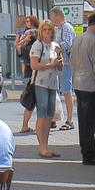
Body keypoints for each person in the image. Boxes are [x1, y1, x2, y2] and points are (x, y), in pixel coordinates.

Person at [72, 13, 95, 165]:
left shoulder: (78, 38)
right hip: (90, 85)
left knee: (83, 120)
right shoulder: (94, 41)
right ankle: (89, 154)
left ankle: (86, 151)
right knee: (91, 121)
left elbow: (72, 60)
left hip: (78, 82)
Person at [30, 20, 65, 158]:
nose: (47, 32)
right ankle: (42, 147)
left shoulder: (55, 45)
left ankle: (46, 146)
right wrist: (51, 64)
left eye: (49, 29)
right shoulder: (38, 45)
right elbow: (34, 65)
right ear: (40, 31)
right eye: (44, 30)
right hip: (41, 83)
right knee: (42, 114)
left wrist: (59, 59)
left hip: (53, 83)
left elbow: (59, 66)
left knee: (50, 115)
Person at [51, 8, 76, 131]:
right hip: (59, 63)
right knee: (59, 91)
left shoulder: (66, 27)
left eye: (52, 17)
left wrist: (56, 47)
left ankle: (70, 120)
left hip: (65, 63)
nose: (52, 20)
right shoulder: (59, 29)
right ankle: (54, 119)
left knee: (67, 91)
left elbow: (68, 43)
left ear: (56, 16)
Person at [16, 16, 40, 134]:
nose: (24, 36)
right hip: (34, 76)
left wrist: (21, 40)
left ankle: (25, 126)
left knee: (30, 102)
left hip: (29, 75)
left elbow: (18, 49)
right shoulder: (33, 47)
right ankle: (34, 126)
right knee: (35, 102)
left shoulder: (26, 47)